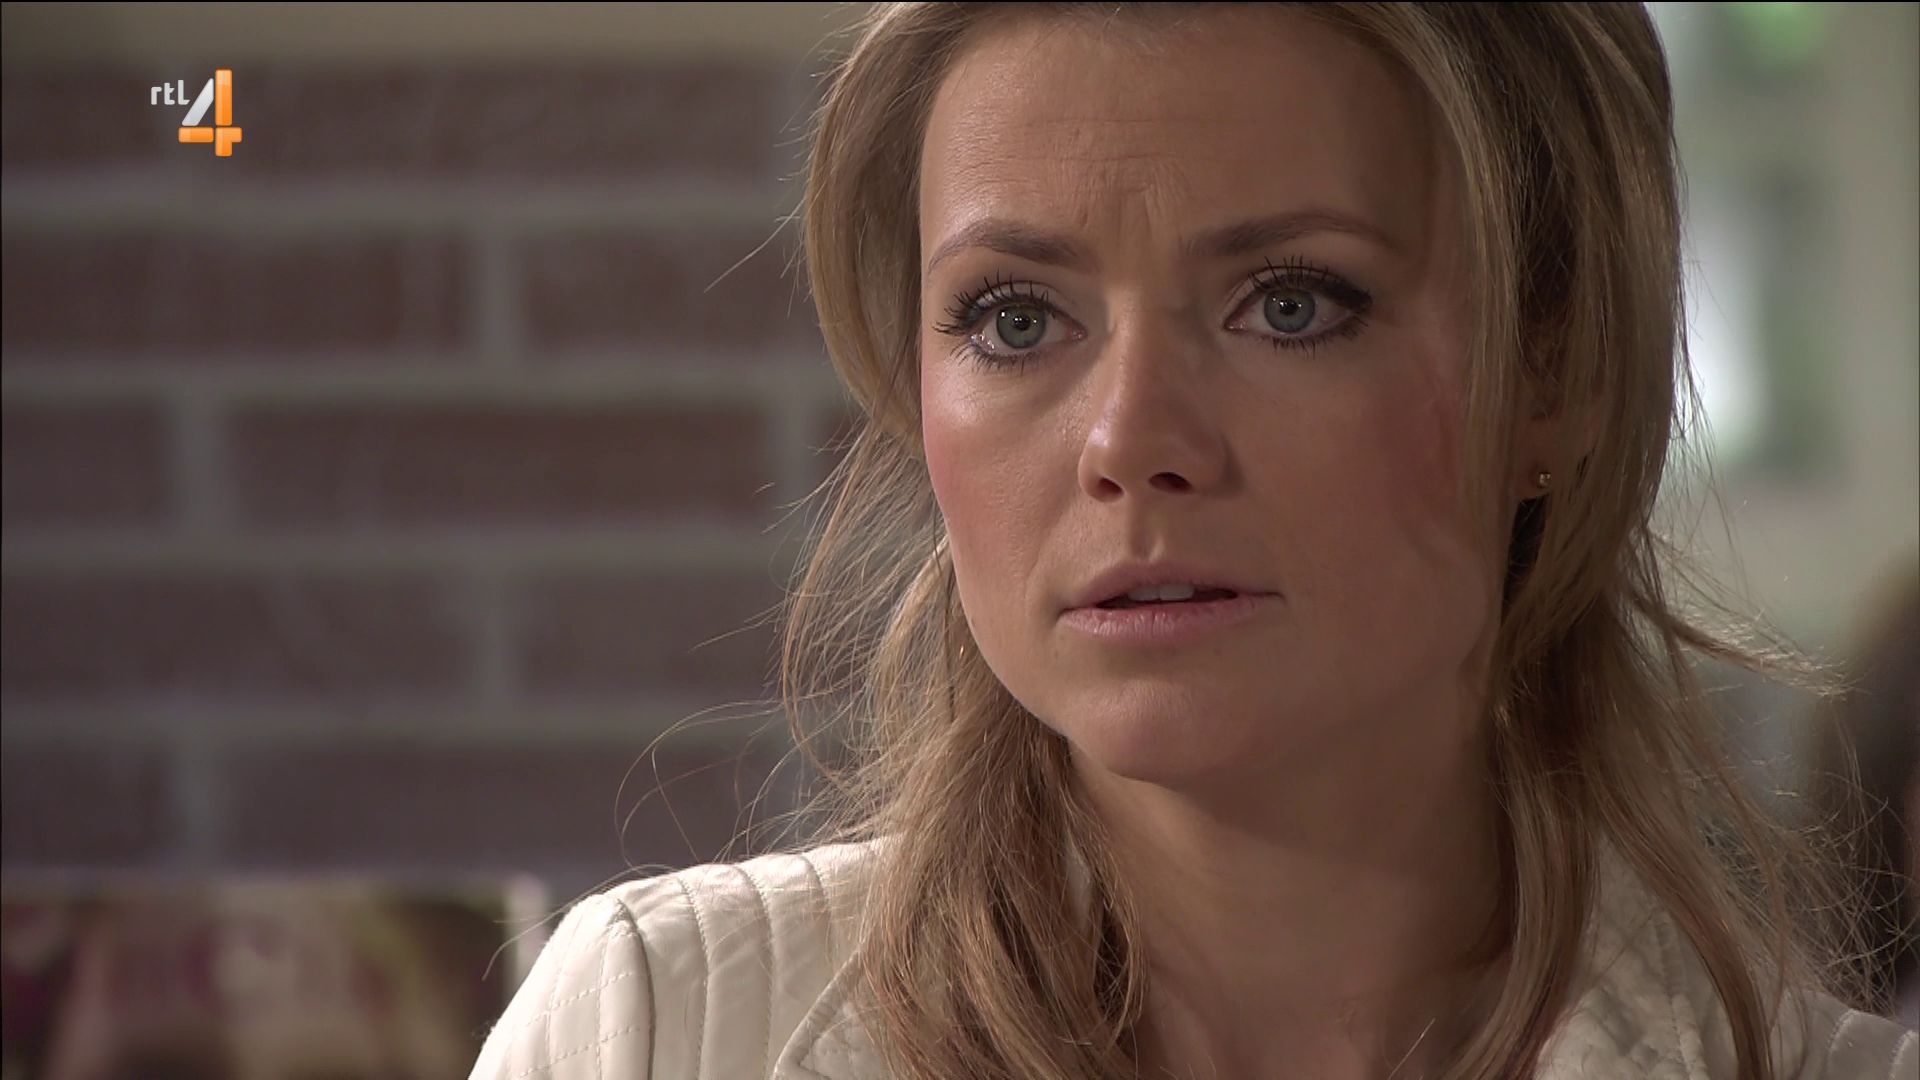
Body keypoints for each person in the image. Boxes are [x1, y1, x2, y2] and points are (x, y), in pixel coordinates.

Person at [470, 4, 1917, 1078]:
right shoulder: (662, 1031)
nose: (1129, 441)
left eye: (1290, 304)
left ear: (1558, 373)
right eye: (1015, 319)